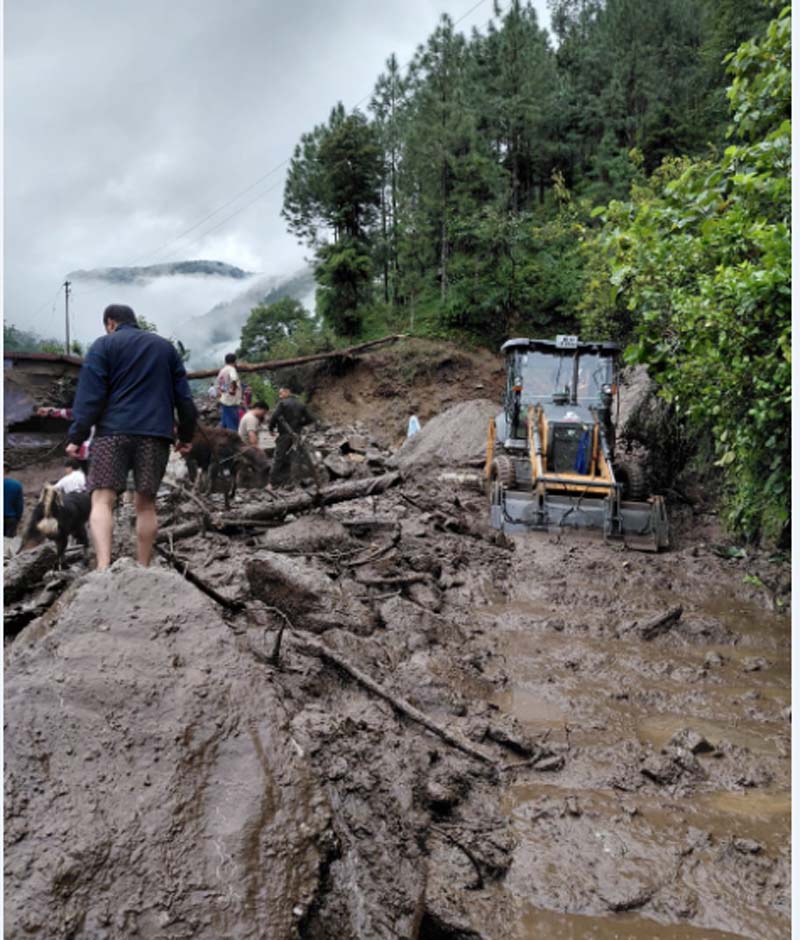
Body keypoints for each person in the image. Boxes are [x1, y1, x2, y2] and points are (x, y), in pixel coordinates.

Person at [66, 303, 197, 570]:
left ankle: (103, 566)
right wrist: (185, 435)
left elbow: (90, 397)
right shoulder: (165, 349)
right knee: (146, 503)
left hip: (112, 433)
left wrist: (77, 436)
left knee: (102, 499)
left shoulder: (103, 346)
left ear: (110, 323)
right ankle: (143, 566)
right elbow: (184, 398)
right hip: (155, 434)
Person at [268, 386, 315, 487]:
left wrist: (271, 428)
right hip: (297, 435)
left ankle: (272, 482)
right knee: (295, 458)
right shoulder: (301, 403)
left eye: (281, 393)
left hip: (284, 435)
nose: (280, 396)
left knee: (278, 457)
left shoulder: (282, 403)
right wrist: (300, 424)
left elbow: (274, 416)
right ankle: (294, 482)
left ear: (287, 392)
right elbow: (311, 418)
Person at [217, 353, 242, 431]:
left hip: (224, 399)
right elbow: (233, 379)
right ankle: (233, 437)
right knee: (233, 424)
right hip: (231, 401)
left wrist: (224, 391)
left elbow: (220, 384)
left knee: (224, 423)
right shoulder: (231, 369)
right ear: (235, 361)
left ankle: (221, 436)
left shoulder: (222, 371)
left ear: (225, 361)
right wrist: (233, 390)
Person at [4, 465, 24, 538]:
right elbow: (19, 505)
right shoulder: (16, 485)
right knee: (9, 542)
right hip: (11, 519)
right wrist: (18, 519)